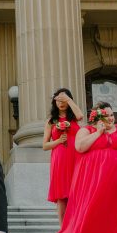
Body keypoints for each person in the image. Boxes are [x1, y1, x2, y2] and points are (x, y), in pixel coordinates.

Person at [49, 102, 117, 233]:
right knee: (97, 211)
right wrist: (99, 132)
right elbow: (79, 147)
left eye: (111, 114)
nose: (110, 117)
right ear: (97, 117)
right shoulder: (86, 130)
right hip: (96, 180)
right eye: (106, 115)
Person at [43, 88, 84, 224]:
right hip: (60, 158)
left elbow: (80, 116)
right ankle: (62, 229)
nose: (61, 103)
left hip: (76, 157)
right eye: (58, 100)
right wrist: (58, 141)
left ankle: (75, 226)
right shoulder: (51, 121)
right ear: (54, 103)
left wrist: (68, 99)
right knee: (61, 195)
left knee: (76, 191)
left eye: (63, 100)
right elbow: (45, 145)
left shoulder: (74, 119)